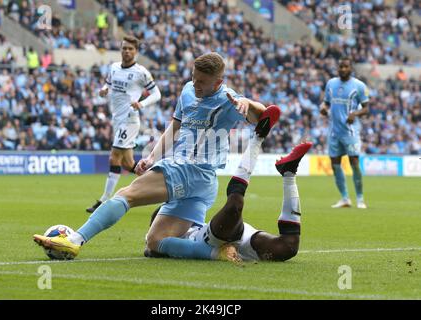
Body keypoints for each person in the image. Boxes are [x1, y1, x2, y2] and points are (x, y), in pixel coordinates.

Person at [34, 52, 273, 260]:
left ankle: (74, 240)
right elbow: (174, 128)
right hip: (202, 184)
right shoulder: (188, 91)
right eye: (193, 77)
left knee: (126, 195)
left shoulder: (229, 100)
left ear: (218, 82)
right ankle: (216, 253)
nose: (196, 84)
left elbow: (265, 117)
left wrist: (248, 102)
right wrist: (152, 158)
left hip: (189, 169)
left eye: (202, 82)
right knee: (156, 241)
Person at [144, 129, 312, 263]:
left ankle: (263, 144)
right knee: (289, 247)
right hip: (224, 242)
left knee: (235, 208)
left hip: (213, 235)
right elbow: (151, 249)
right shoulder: (160, 241)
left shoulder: (181, 228)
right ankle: (287, 171)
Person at [86, 35, 162, 213]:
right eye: (124, 48)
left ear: (136, 52)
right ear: (121, 50)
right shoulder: (113, 67)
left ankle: (104, 201)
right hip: (117, 119)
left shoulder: (141, 72)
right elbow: (108, 84)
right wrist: (104, 90)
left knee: (114, 157)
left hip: (129, 120)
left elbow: (157, 94)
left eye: (130, 49)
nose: (127, 51)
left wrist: (141, 104)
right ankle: (160, 187)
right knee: (128, 164)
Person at [320, 57, 369, 209]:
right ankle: (345, 198)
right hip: (334, 132)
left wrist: (355, 114)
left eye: (345, 66)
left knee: (354, 162)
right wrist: (323, 108)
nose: (342, 69)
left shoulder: (359, 86)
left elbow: (366, 108)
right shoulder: (331, 83)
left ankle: (360, 199)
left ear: (351, 68)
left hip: (350, 131)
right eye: (340, 66)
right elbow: (326, 102)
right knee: (335, 164)